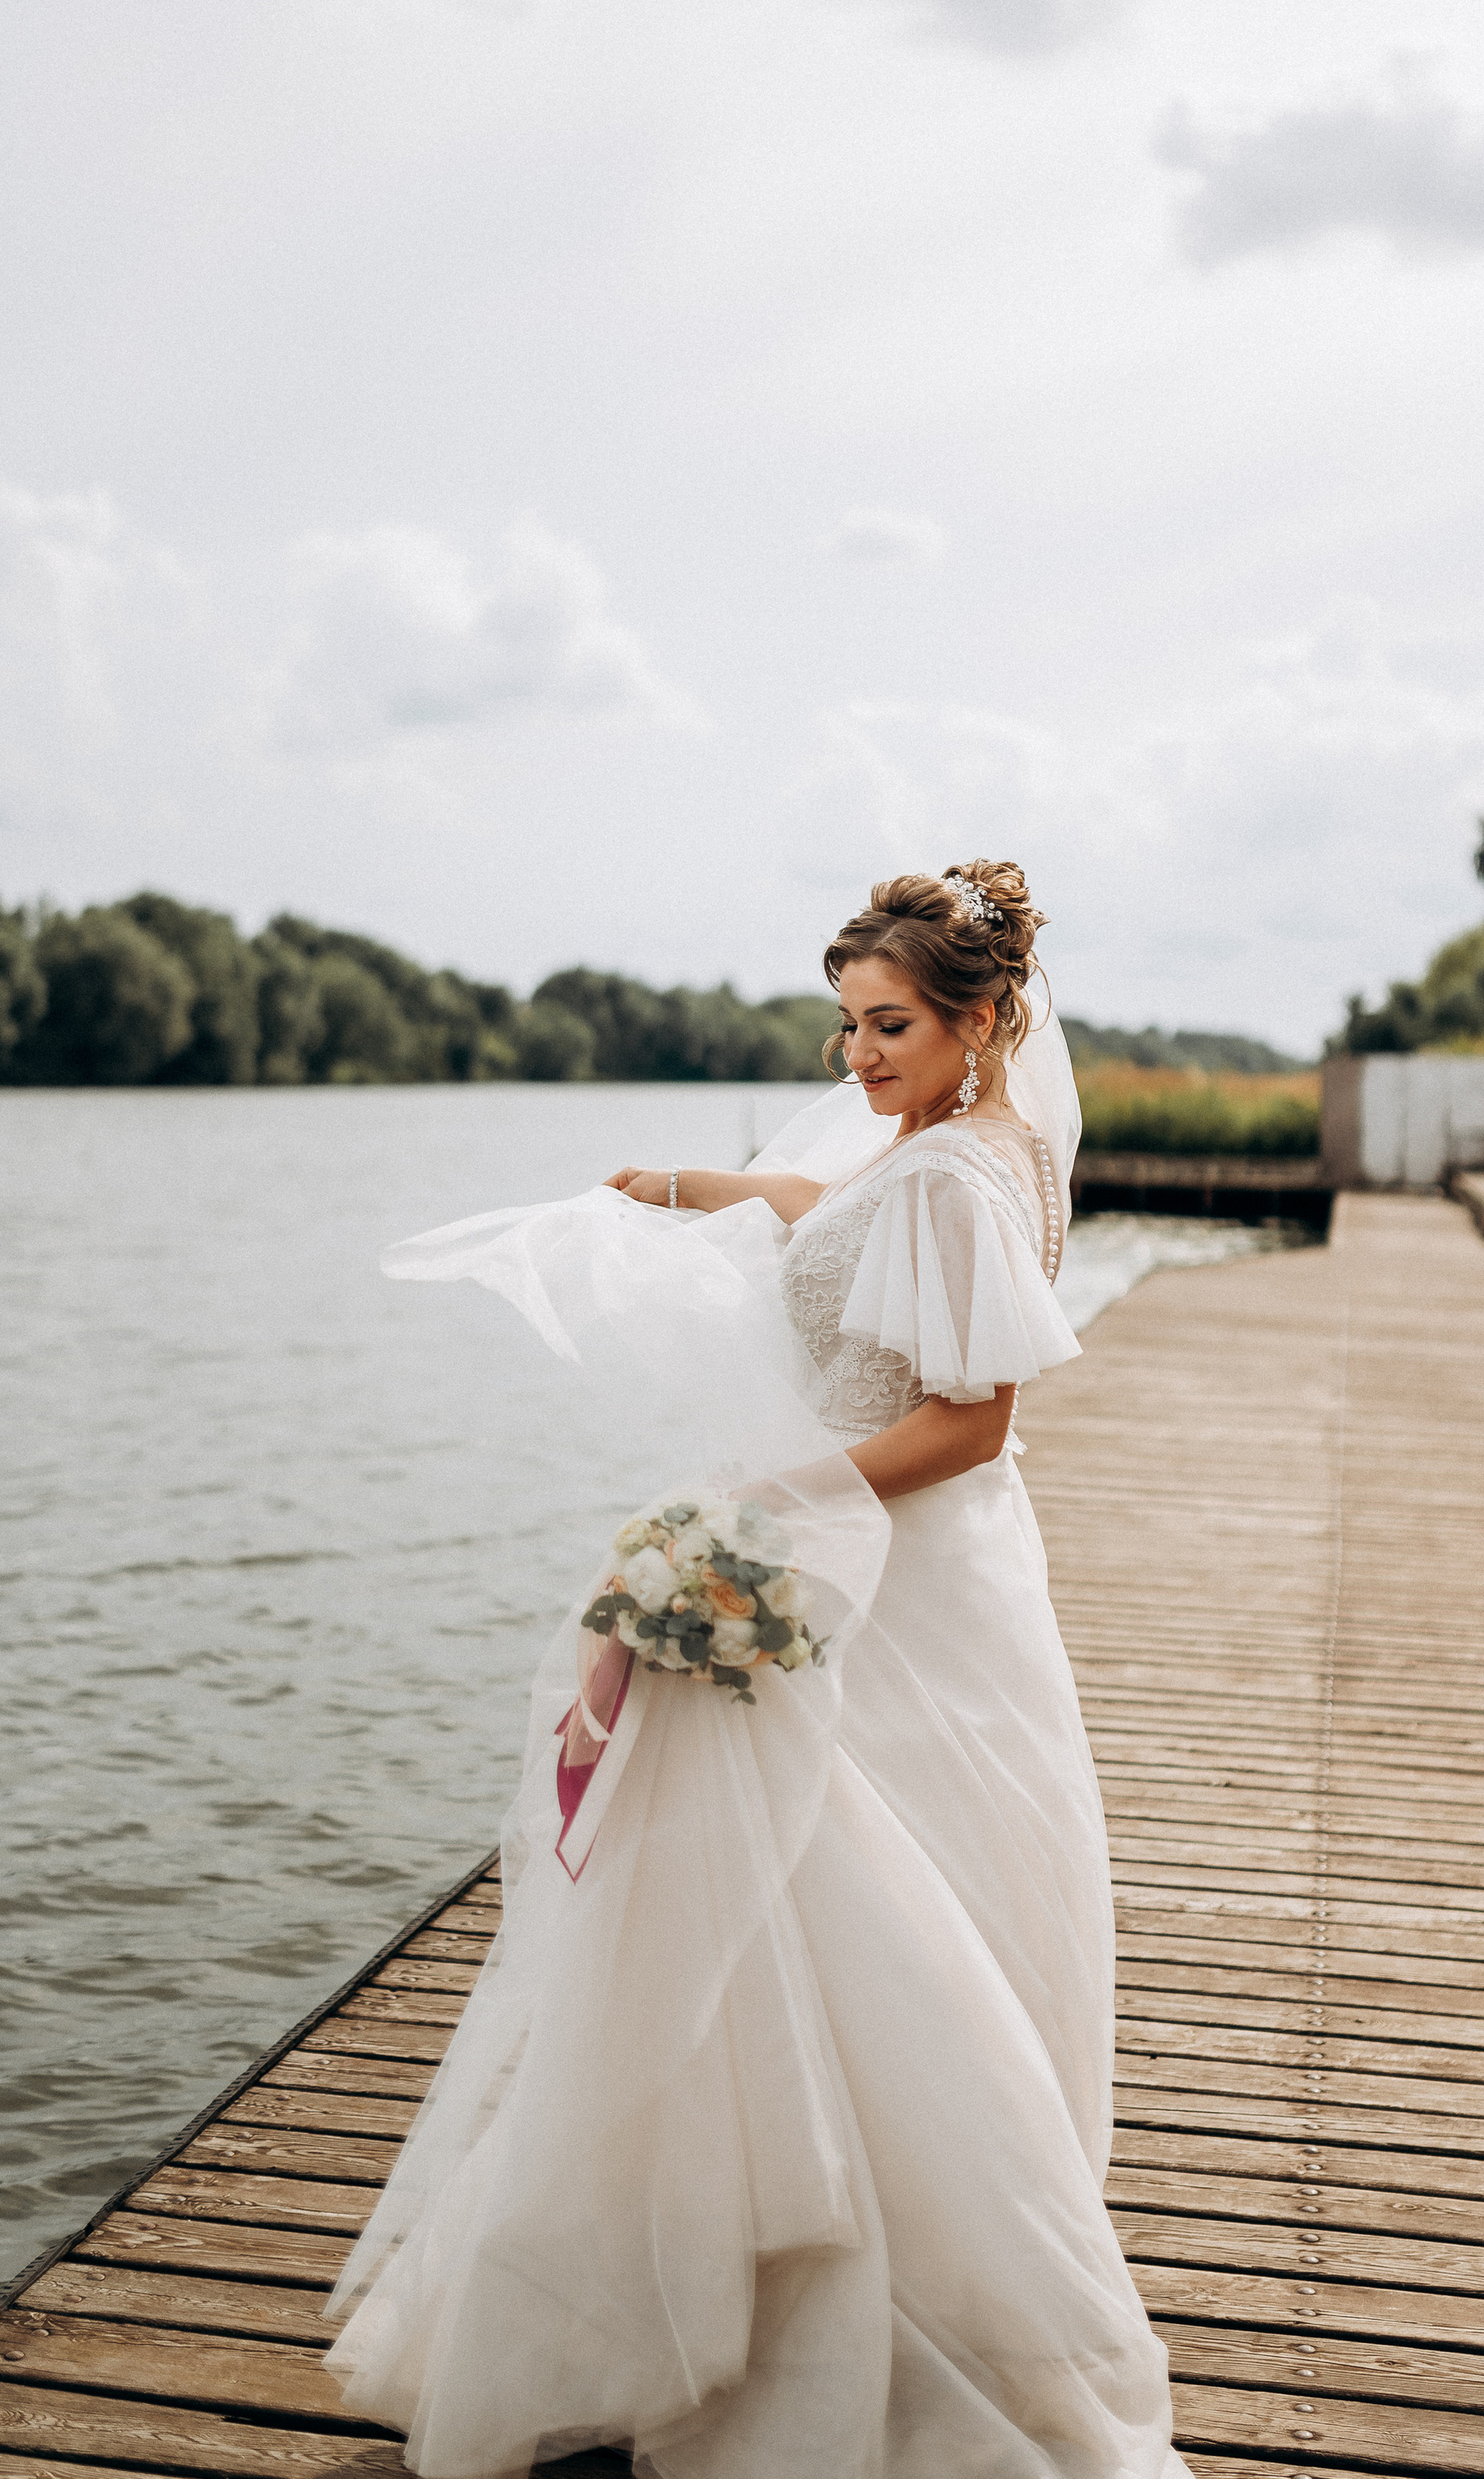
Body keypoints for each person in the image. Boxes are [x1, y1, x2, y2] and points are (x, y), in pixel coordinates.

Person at [324, 862, 1190, 2478]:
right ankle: (846, 2244)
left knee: (861, 1902)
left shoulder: (945, 1180)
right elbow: (840, 1216)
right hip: (956, 1581)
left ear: (978, 1021)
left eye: (887, 1024)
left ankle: (849, 2303)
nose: (855, 1054)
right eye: (845, 1023)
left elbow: (971, 1416)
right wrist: (702, 1192)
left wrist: (745, 1504)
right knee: (921, 1905)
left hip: (889, 1581)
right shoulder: (968, 1145)